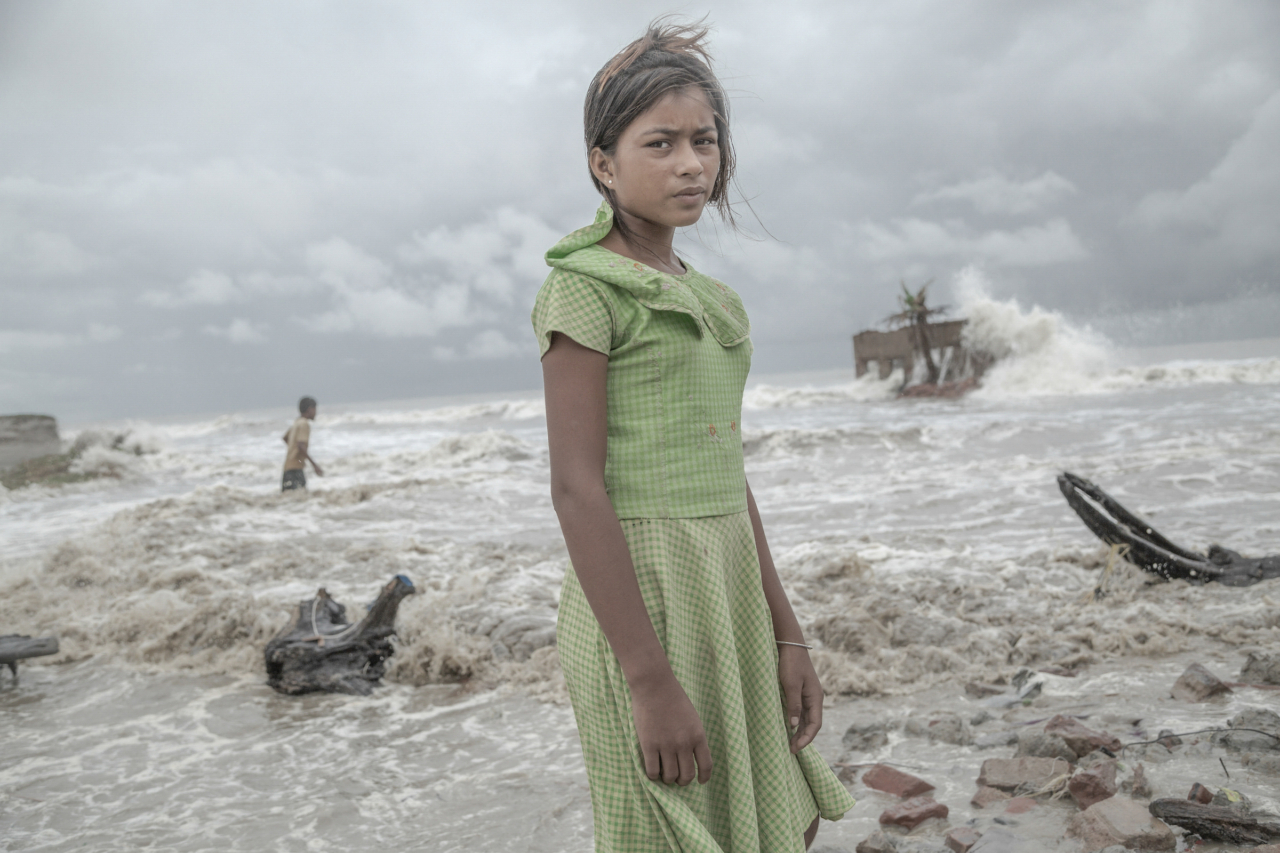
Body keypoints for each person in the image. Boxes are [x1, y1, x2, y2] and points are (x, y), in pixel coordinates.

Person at [532, 19, 855, 852]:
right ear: (604, 164)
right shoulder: (586, 293)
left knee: (778, 808)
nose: (690, 163)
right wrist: (647, 679)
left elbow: (727, 473)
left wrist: (787, 632)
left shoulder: (715, 302)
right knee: (666, 825)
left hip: (728, 587)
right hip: (643, 597)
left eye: (704, 141)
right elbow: (576, 488)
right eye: (661, 143)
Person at [281, 396, 323, 491]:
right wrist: (314, 465)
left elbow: (285, 438)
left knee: (291, 500)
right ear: (309, 410)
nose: (316, 412)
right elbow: (300, 446)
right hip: (296, 469)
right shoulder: (304, 424)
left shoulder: (297, 422)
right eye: (314, 409)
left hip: (287, 468)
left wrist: (293, 450)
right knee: (300, 495)